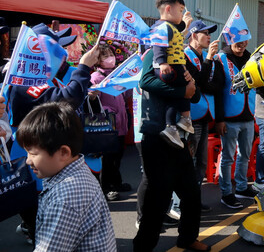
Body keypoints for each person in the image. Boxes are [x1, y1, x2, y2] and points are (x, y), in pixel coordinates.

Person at [8, 23, 99, 245]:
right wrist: (85, 67)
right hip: (31, 153)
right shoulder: (26, 81)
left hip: (46, 152)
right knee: (39, 208)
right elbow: (67, 99)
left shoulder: (43, 79)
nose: (61, 52)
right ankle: (34, 230)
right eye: (54, 45)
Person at [134, 46, 210, 251]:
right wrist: (181, 90)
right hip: (157, 138)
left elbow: (194, 96)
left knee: (192, 194)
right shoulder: (154, 54)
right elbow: (145, 82)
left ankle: (188, 238)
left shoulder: (181, 57)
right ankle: (142, 248)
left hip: (180, 139)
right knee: (157, 201)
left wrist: (191, 85)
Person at [16, 102, 116, 251]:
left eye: (33, 153)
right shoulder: (77, 171)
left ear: (63, 152)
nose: (28, 160)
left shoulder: (64, 198)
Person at [184, 19, 224, 211]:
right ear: (193, 35)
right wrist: (208, 61)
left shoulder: (208, 57)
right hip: (190, 117)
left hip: (206, 115)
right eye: (205, 33)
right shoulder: (185, 56)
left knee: (201, 163)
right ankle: (184, 202)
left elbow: (217, 84)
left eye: (210, 33)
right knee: (189, 162)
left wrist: (208, 62)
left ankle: (194, 199)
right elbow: (198, 82)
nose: (209, 36)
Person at [215, 40, 257, 208]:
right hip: (229, 118)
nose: (242, 43)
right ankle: (226, 193)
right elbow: (217, 91)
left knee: (245, 155)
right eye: (237, 40)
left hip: (248, 115)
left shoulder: (252, 58)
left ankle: (241, 187)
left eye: (245, 39)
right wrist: (219, 119)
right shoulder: (221, 59)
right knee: (227, 157)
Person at [153, 0, 194, 149]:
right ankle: (179, 121)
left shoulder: (170, 28)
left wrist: (185, 25)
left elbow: (176, 38)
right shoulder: (163, 27)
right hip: (169, 66)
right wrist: (162, 62)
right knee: (180, 90)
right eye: (181, 10)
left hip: (176, 65)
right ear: (169, 9)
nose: (182, 14)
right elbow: (158, 45)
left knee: (180, 91)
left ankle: (180, 121)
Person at [89, 46, 131, 201]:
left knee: (117, 154)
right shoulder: (96, 77)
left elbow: (125, 94)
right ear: (98, 61)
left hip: (120, 121)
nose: (110, 58)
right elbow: (93, 100)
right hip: (107, 123)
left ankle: (116, 182)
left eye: (111, 54)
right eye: (105, 56)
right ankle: (106, 188)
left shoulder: (116, 75)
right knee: (107, 158)